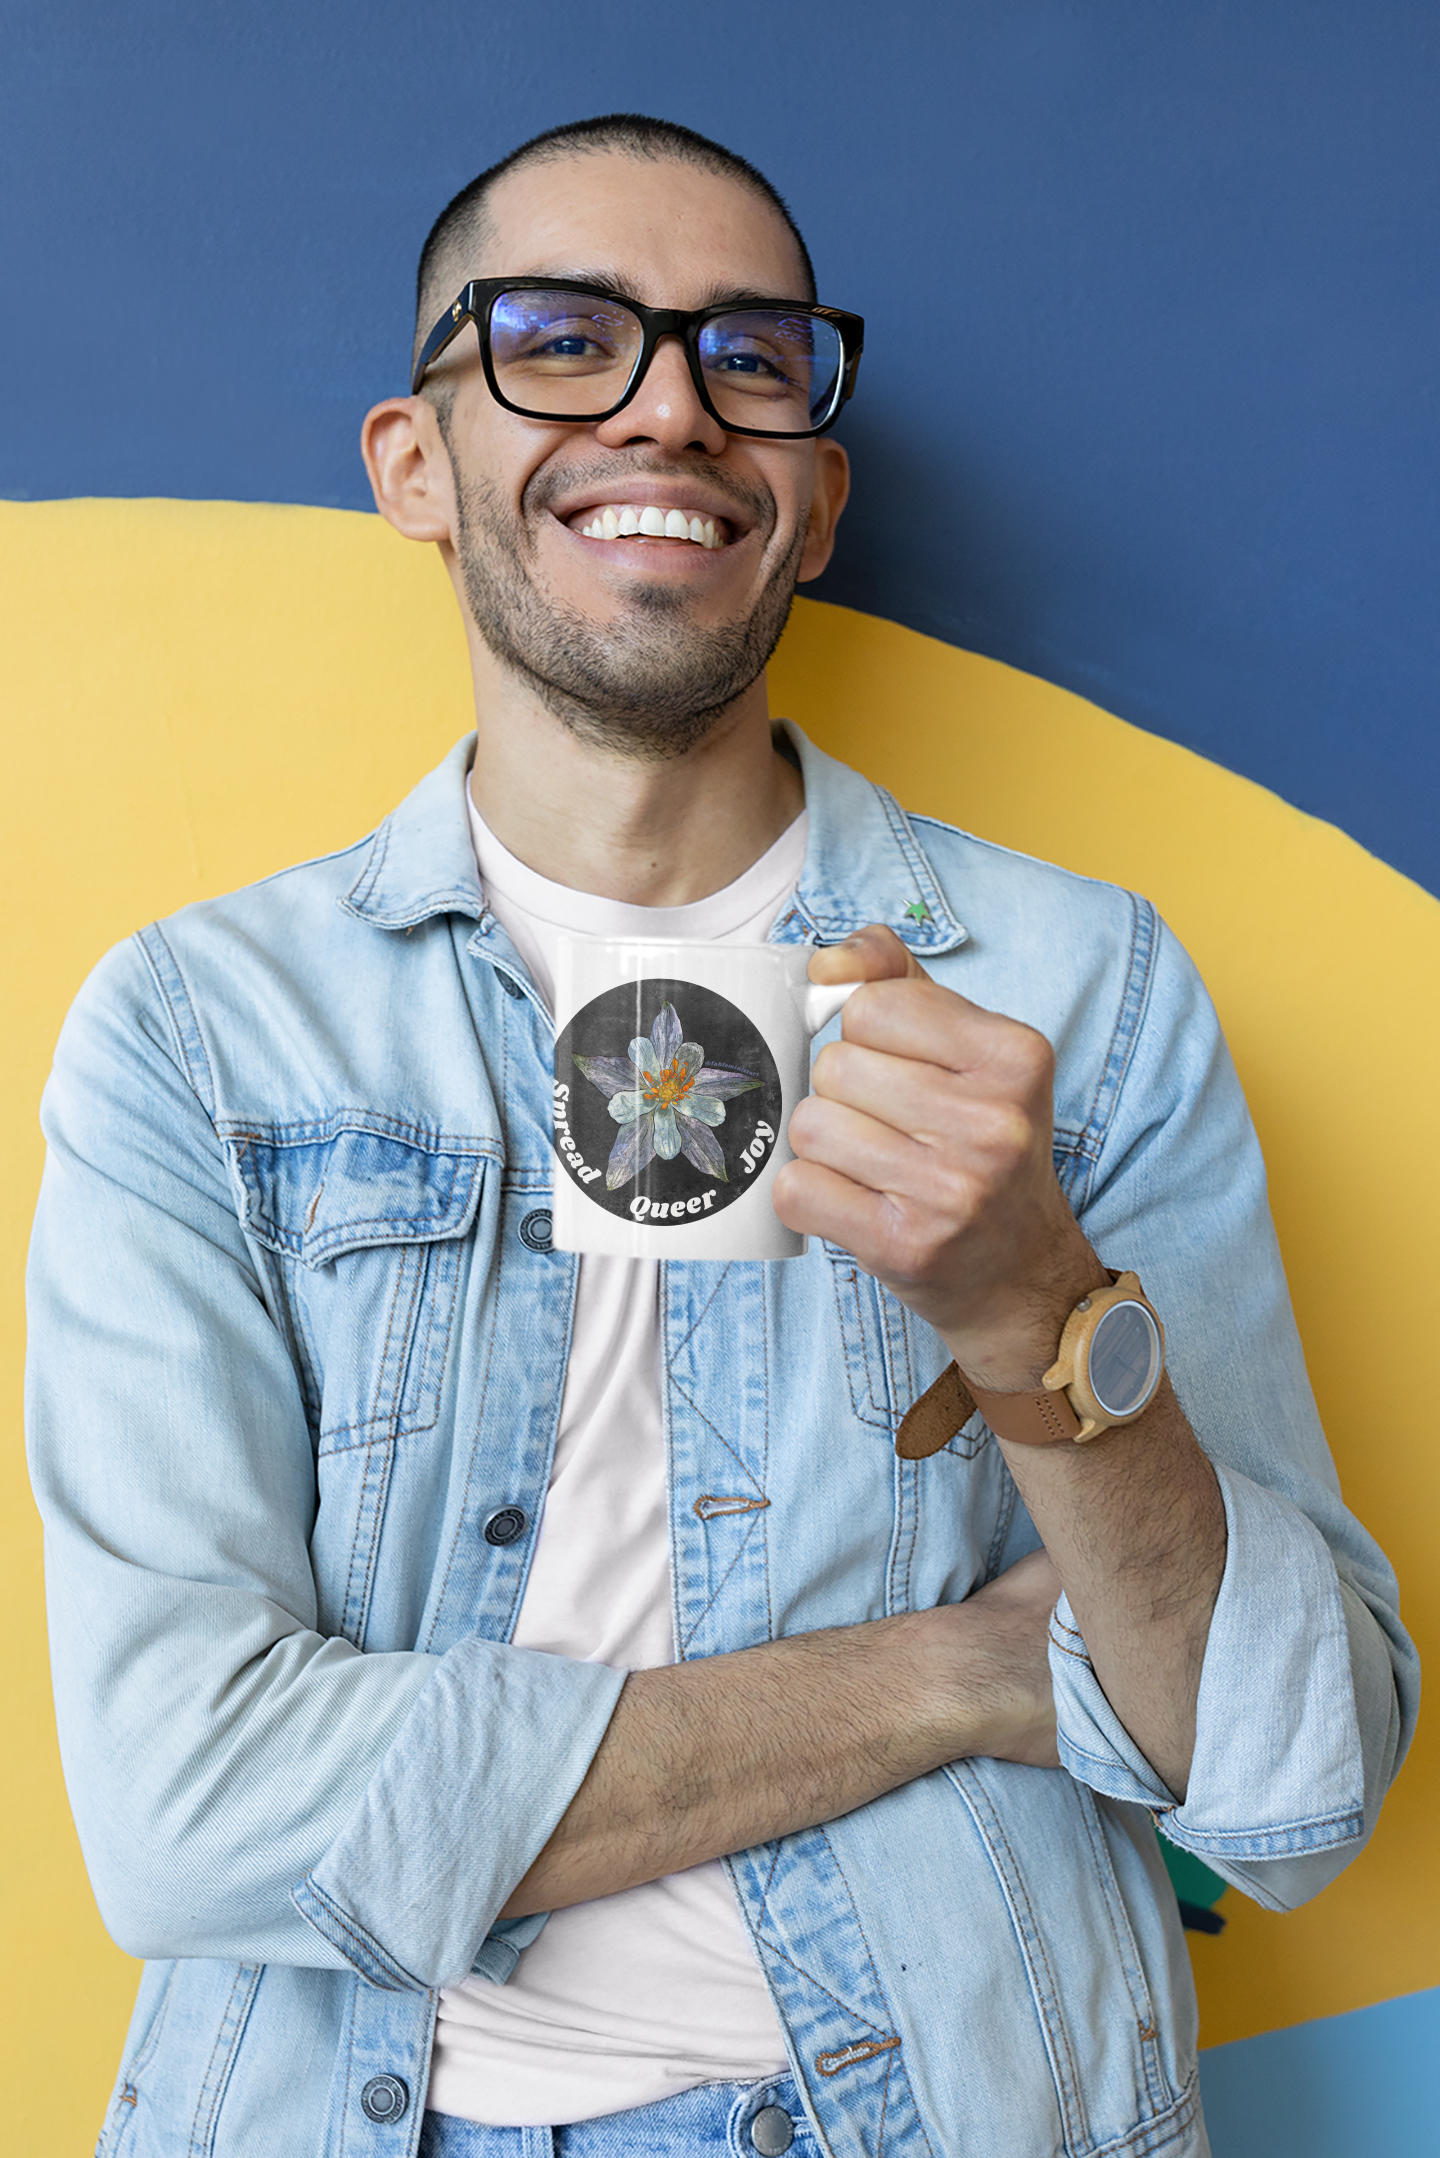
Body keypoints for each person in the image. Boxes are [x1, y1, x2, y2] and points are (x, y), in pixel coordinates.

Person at [27, 114, 1414, 2158]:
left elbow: (1296, 1775)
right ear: (412, 465)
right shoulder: (199, 1030)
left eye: (747, 359)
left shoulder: (1076, 989)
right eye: (563, 340)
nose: (671, 405)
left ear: (815, 499)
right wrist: (956, 1674)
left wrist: (1040, 1308)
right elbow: (185, 1808)